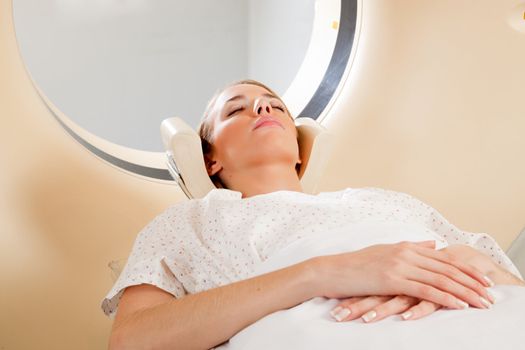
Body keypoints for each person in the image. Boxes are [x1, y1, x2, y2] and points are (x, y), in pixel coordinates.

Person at [102, 79, 524, 350]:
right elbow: (133, 340)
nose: (263, 109)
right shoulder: (187, 223)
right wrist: (322, 273)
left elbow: (508, 283)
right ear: (209, 159)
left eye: (275, 105)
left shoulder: (383, 200)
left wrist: (471, 262)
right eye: (236, 109)